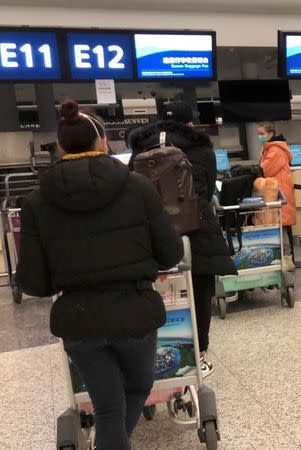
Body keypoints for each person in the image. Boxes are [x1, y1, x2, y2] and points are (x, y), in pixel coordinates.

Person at [16, 100, 183, 450]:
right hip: (135, 311)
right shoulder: (137, 186)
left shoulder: (35, 202)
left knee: (107, 407)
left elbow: (33, 281)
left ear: (60, 147)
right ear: (103, 142)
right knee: (137, 388)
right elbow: (170, 253)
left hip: (79, 319)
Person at [128, 101, 236, 376]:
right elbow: (208, 189)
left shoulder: (139, 148)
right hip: (197, 232)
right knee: (199, 291)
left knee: (154, 294)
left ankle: (153, 356)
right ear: (190, 123)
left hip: (150, 236)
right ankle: (198, 355)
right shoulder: (201, 148)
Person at [258, 122, 298, 269]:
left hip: (279, 192)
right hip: (278, 190)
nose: (259, 137)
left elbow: (265, 169)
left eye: (262, 134)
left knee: (280, 224)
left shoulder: (275, 150)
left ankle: (287, 259)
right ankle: (284, 258)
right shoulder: (270, 148)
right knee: (280, 224)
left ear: (270, 134)